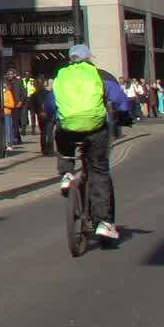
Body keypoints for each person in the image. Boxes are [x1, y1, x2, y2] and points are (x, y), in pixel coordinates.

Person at [47, 44, 130, 242]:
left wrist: (54, 116)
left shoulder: (61, 77)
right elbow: (120, 101)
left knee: (62, 139)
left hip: (68, 128)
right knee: (99, 172)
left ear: (70, 59)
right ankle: (104, 223)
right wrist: (125, 117)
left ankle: (67, 173)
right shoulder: (100, 76)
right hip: (95, 129)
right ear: (89, 59)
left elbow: (50, 104)